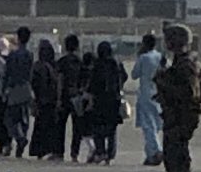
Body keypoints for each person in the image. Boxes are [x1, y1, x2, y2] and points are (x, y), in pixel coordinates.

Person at [152, 23, 201, 172]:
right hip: (176, 115)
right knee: (172, 153)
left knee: (177, 154)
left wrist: (163, 82)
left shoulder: (185, 66)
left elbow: (189, 93)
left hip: (181, 117)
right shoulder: (179, 63)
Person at [86, 40, 128, 164]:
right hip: (114, 99)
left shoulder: (97, 64)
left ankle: (101, 152)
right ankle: (110, 154)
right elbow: (124, 76)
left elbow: (93, 82)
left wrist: (89, 94)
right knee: (111, 129)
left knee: (97, 128)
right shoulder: (116, 63)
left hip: (100, 99)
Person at [0, 27, 34, 156]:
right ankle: (22, 139)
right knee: (24, 117)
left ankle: (20, 138)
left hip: (14, 89)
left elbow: (7, 74)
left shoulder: (13, 55)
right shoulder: (30, 55)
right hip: (26, 87)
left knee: (11, 118)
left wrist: (3, 90)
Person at [55, 34, 90, 163]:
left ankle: (59, 152)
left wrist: (58, 98)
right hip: (77, 97)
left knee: (60, 126)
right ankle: (74, 153)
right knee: (77, 127)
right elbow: (86, 80)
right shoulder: (80, 62)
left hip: (64, 96)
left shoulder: (62, 62)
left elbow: (60, 80)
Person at [133, 32, 165, 166]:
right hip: (159, 94)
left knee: (148, 126)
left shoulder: (144, 58)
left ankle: (156, 151)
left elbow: (134, 74)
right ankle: (150, 154)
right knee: (156, 125)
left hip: (146, 94)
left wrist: (138, 56)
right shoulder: (160, 57)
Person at [28, 38, 61, 159]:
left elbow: (34, 83)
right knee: (50, 126)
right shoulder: (54, 66)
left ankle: (39, 150)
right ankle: (48, 149)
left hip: (41, 100)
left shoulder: (38, 66)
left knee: (40, 126)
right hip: (51, 100)